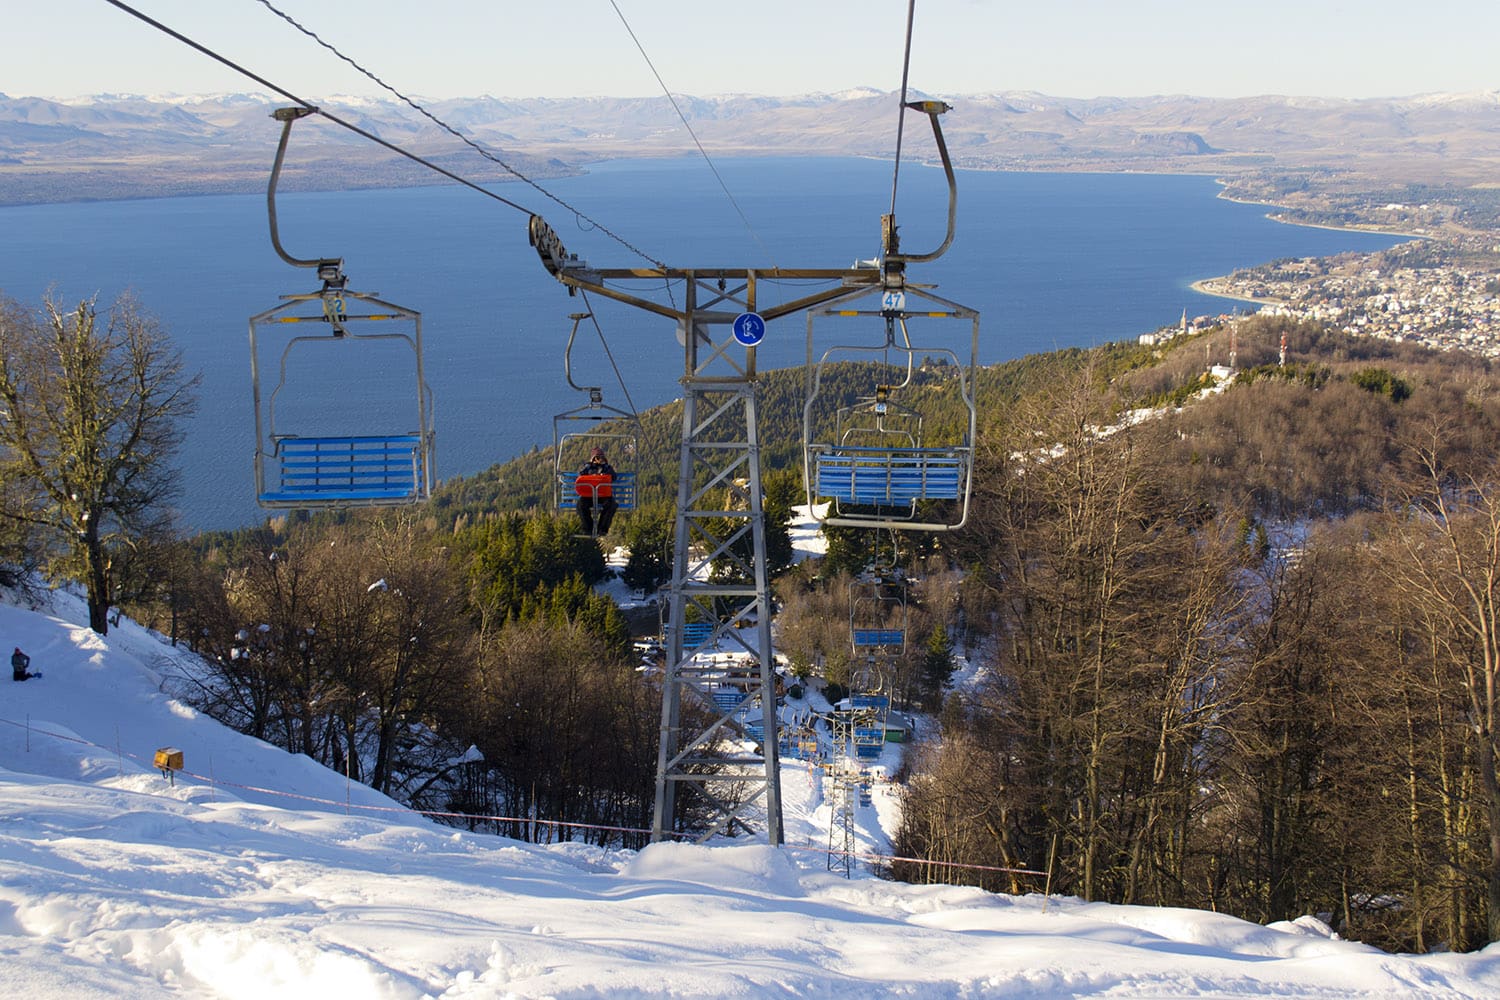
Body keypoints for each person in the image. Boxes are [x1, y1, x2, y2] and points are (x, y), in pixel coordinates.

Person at [575, 446, 618, 536]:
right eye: (597, 457)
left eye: (601, 457)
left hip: (603, 495)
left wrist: (604, 475)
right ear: (593, 458)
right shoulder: (588, 467)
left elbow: (613, 477)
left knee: (611, 505)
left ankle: (602, 529)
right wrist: (592, 476)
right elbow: (580, 476)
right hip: (589, 495)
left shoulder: (607, 468)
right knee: (581, 505)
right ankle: (588, 528)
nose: (599, 460)